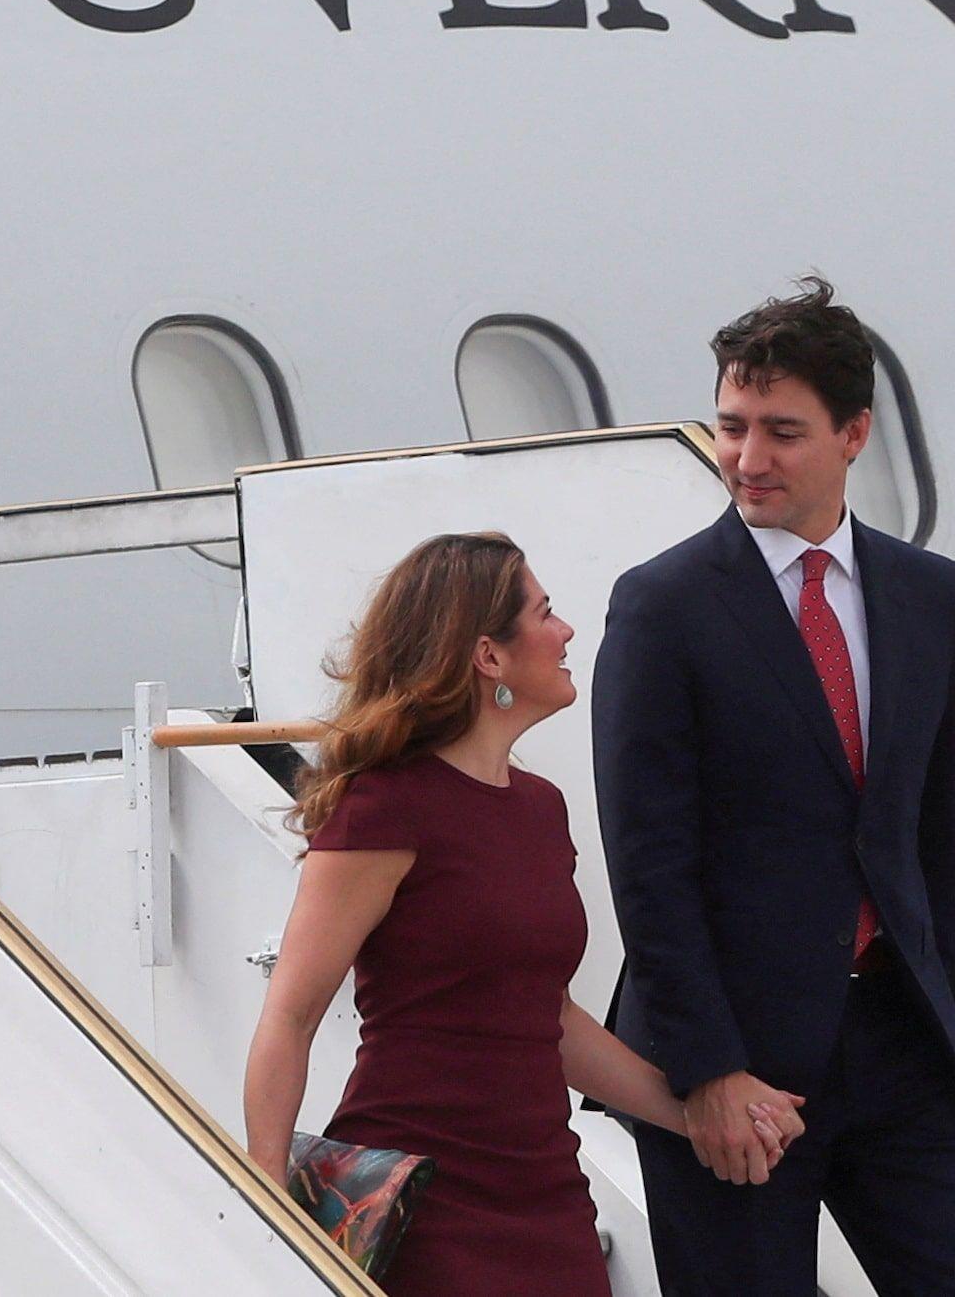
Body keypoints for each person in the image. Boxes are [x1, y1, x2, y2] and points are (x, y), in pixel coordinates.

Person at [593, 277, 955, 1295]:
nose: (746, 458)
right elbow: (648, 863)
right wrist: (706, 1073)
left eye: (781, 431)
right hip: (734, 1064)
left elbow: (931, 834)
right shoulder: (664, 606)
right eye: (732, 426)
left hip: (903, 1049)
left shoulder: (930, 595)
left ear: (854, 433)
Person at [244, 531, 800, 1297]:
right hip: (423, 1198)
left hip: (545, 1195)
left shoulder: (540, 809)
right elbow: (291, 1015)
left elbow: (550, 1019)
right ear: (488, 657)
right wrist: (265, 1203)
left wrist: (702, 1110)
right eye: (546, 612)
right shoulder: (384, 807)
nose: (567, 631)